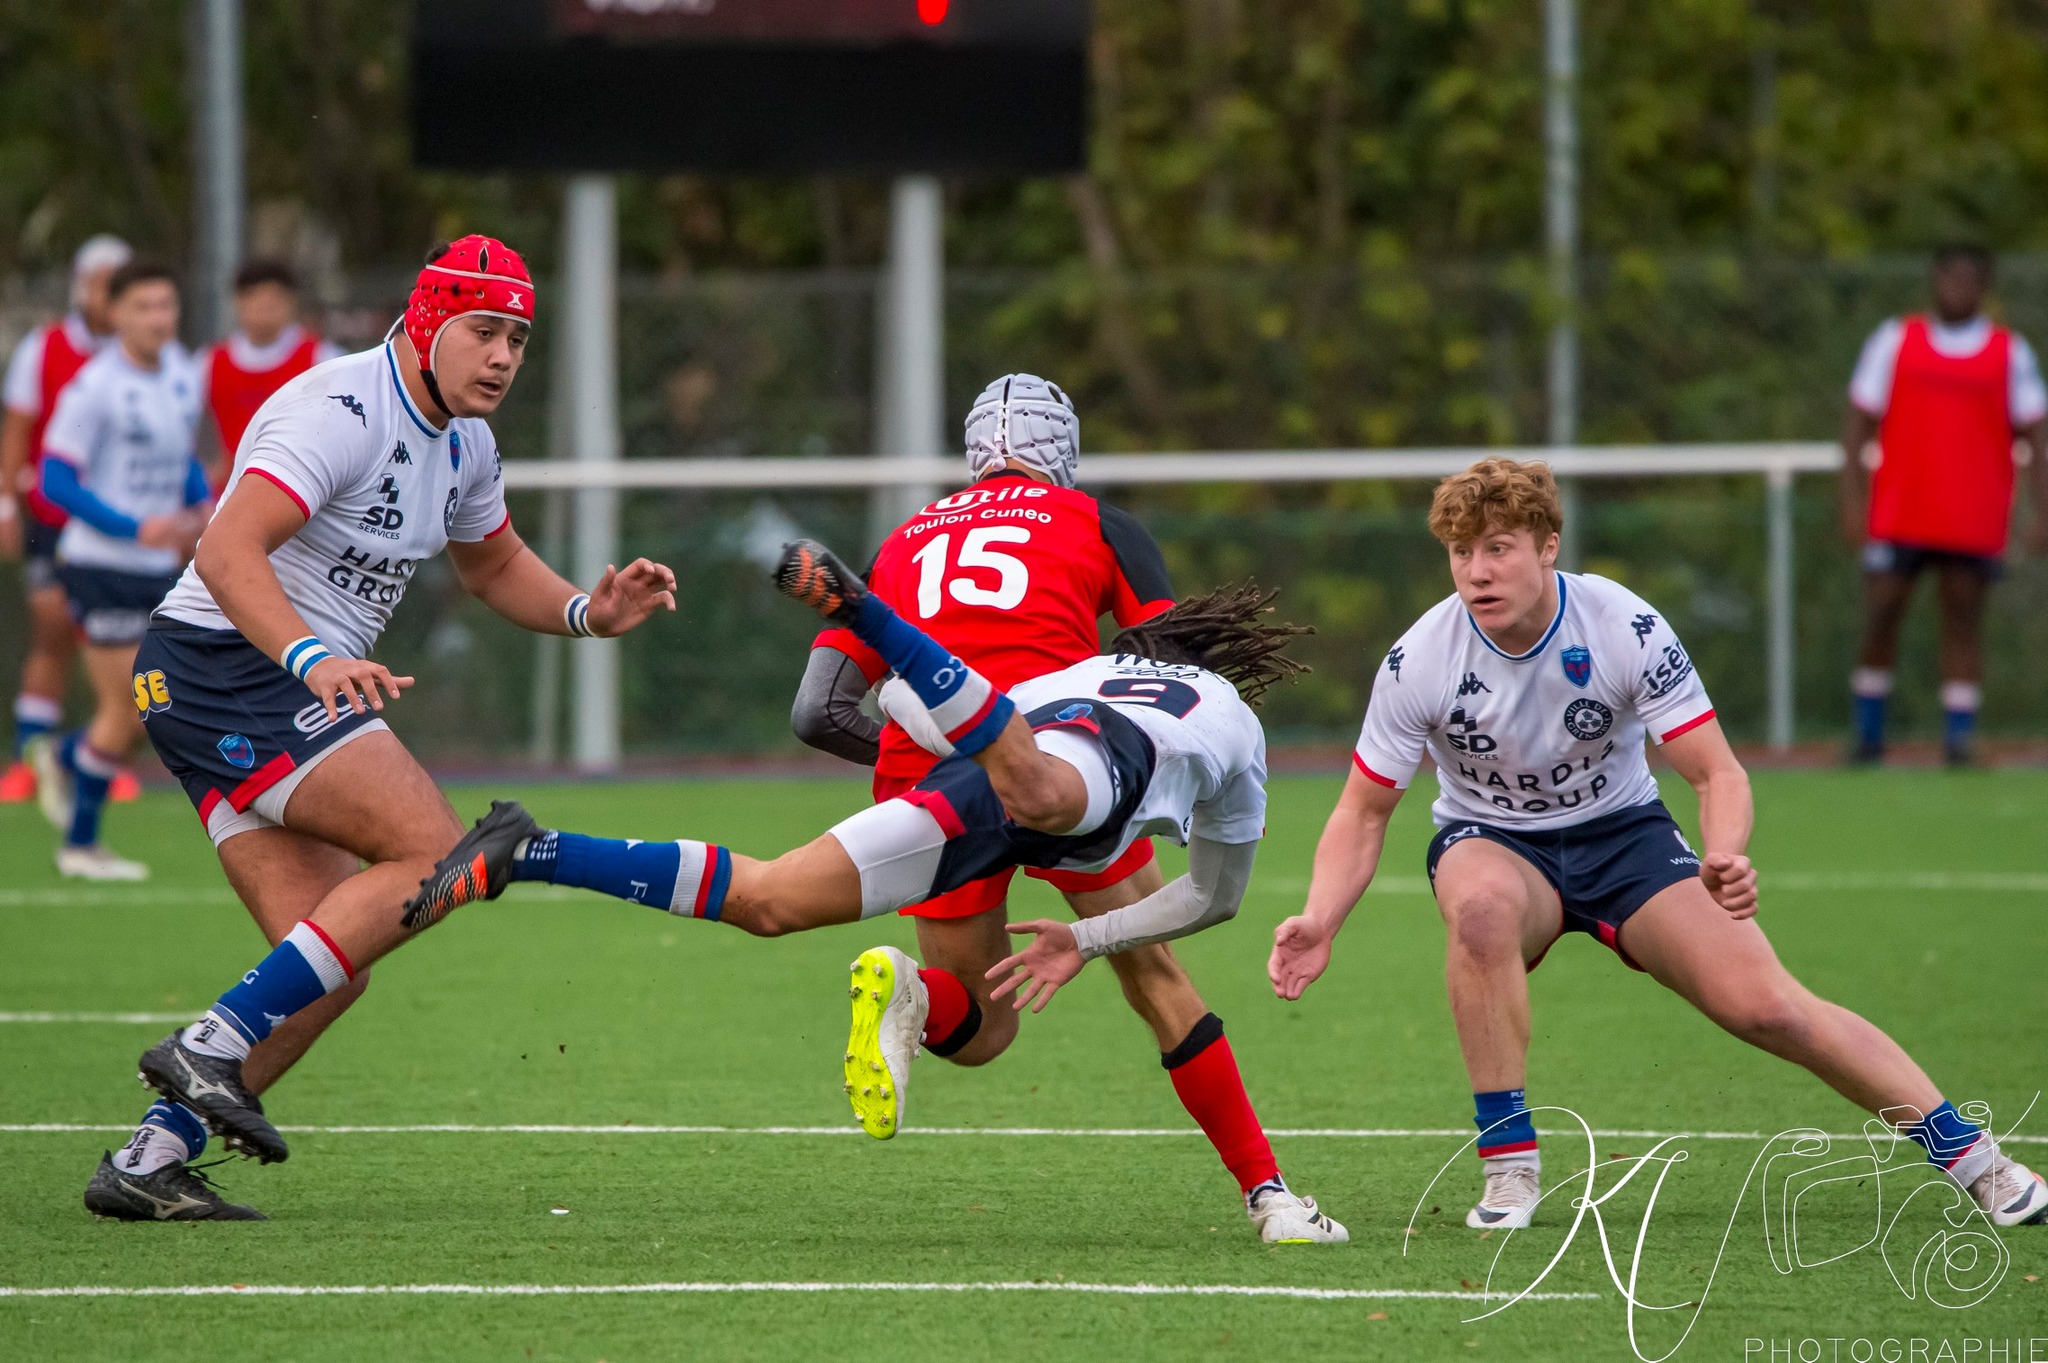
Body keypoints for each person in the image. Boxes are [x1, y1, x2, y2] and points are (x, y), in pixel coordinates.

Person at [401, 542, 1348, 1244]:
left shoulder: (1091, 667)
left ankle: (533, 847)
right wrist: (1091, 938)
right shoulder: (1236, 722)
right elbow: (1213, 897)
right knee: (1055, 805)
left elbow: (946, 722)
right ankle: (1271, 1198)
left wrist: (904, 704)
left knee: (770, 898)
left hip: (984, 779)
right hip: (1069, 780)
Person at [1269, 457, 2047, 1231]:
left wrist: (1726, 851)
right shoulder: (1419, 659)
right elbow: (1362, 812)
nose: (1477, 571)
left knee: (1768, 1008)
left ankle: (1977, 1159)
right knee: (1479, 909)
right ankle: (1509, 1164)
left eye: (1498, 547)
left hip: (1625, 835)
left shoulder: (1622, 625)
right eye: (1461, 551)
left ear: (1548, 544)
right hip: (1494, 839)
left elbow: (1717, 772)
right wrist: (1320, 917)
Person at [83, 235, 678, 1223]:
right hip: (221, 665)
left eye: (518, 338)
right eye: (483, 331)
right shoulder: (341, 409)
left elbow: (493, 565)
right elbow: (226, 551)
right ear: (428, 321)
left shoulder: (466, 442)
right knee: (436, 853)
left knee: (325, 967)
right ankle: (207, 1044)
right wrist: (312, 658)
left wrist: (587, 611)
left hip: (245, 683)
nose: (503, 356)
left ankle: (148, 1161)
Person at [789, 374, 1324, 1240]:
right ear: (1066, 451)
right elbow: (1168, 660)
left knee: (980, 1024)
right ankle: (1270, 1196)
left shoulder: (901, 539)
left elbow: (817, 710)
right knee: (1155, 978)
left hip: (935, 779)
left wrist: (940, 768)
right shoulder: (1098, 522)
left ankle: (910, 990)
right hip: (1063, 765)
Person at [1839, 244, 2048, 765]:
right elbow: (1858, 423)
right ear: (1934, 281)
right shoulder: (1895, 339)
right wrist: (1852, 500)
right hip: (1901, 510)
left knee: (1963, 619)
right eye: (1950, 277)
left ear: (1984, 287)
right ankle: (1868, 734)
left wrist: (2042, 511)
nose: (1958, 287)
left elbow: (2036, 434)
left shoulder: (2009, 352)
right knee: (1882, 612)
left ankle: (1958, 738)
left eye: (1969, 279)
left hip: (1972, 514)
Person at [34, 261, 209, 879]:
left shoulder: (182, 372)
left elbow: (183, 459)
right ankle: (79, 846)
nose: (159, 318)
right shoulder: (94, 387)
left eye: (167, 305)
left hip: (157, 567)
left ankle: (64, 757)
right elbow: (55, 479)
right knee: (133, 709)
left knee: (152, 707)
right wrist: (134, 528)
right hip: (100, 564)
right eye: (143, 307)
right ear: (114, 314)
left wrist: (205, 507)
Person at [0, 235, 133, 804]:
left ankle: (99, 755)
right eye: (104, 285)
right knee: (52, 627)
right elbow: (18, 429)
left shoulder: (144, 355)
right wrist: (6, 504)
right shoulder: (44, 347)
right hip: (53, 518)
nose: (113, 296)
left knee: (115, 643)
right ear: (83, 288)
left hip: (121, 527)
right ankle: (29, 758)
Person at [197, 259, 342, 491]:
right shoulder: (208, 363)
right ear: (238, 302)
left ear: (291, 302)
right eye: (255, 300)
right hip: (229, 495)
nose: (264, 310)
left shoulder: (323, 359)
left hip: (300, 493)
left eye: (273, 302)